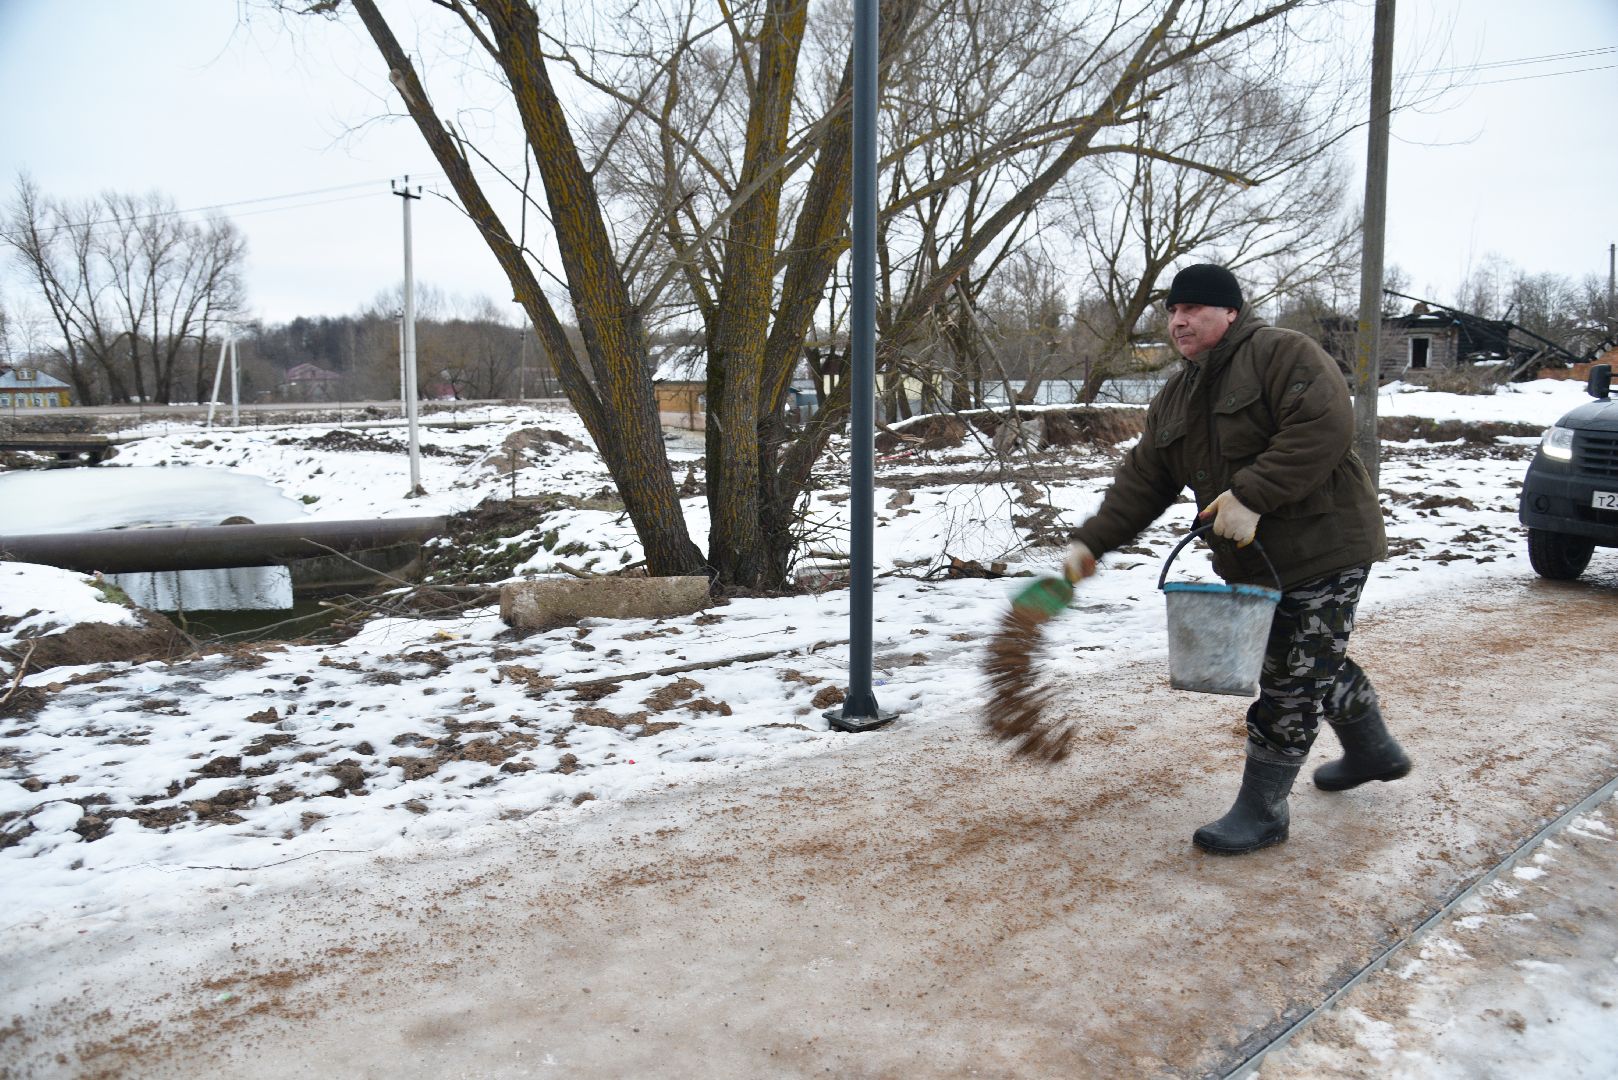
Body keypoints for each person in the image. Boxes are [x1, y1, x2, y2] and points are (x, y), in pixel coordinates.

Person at [1064, 263, 1411, 855]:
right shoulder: (1179, 392)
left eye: (1193, 309)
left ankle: (1264, 810)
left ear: (1230, 312)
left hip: (1324, 542)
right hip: (1254, 562)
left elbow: (1324, 427)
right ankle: (1373, 749)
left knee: (1291, 674)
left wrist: (1251, 494)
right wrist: (1092, 540)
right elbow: (1145, 480)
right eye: (1172, 312)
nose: (1179, 321)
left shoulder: (1282, 355)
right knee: (1310, 655)